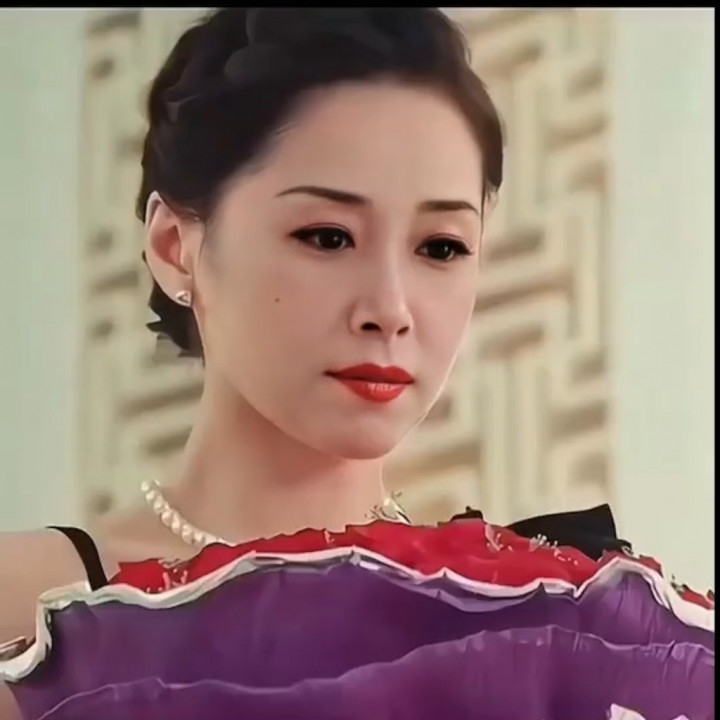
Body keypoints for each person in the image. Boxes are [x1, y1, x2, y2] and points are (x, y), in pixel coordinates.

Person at [0, 9, 712, 720]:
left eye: (440, 247)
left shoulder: (542, 611)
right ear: (173, 246)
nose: (390, 308)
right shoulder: (28, 604)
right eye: (328, 236)